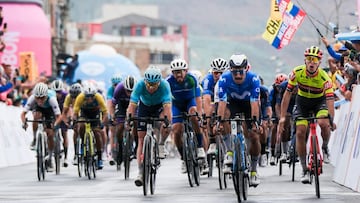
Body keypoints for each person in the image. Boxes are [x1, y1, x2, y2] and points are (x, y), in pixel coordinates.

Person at [278, 46, 336, 184]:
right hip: (302, 103)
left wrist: (331, 119)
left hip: (319, 102)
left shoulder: (324, 77)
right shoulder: (296, 72)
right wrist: (282, 117)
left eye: (315, 60)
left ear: (319, 62)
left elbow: (330, 99)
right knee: (300, 132)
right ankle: (304, 168)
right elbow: (287, 95)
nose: (311, 62)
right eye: (309, 59)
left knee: (323, 123)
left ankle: (324, 147)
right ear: (305, 61)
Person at [216, 54, 261, 187]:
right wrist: (219, 121)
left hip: (248, 104)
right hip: (232, 103)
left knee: (254, 135)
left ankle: (253, 171)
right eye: (234, 71)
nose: (238, 75)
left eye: (240, 71)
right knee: (224, 116)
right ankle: (230, 151)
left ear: (246, 69)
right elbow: (222, 102)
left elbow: (254, 103)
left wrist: (255, 122)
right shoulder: (224, 78)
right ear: (230, 70)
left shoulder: (253, 78)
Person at [126, 66, 172, 187]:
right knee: (141, 139)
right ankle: (140, 171)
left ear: (159, 83)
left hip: (159, 107)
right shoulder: (140, 85)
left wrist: (167, 123)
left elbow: (167, 108)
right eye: (149, 84)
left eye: (154, 85)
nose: (151, 88)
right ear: (145, 81)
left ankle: (161, 144)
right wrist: (129, 119)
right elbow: (132, 105)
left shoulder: (165, 85)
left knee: (165, 125)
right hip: (144, 107)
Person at [165, 58, 209, 174]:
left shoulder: (191, 79)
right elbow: (166, 101)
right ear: (172, 73)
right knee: (176, 129)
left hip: (190, 102)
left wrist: (199, 114)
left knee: (194, 114)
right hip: (177, 105)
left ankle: (199, 147)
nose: (178, 74)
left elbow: (198, 99)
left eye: (181, 71)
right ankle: (183, 158)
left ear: (186, 71)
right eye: (175, 72)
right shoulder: (168, 82)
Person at [20, 82, 62, 172]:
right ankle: (35, 139)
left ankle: (50, 158)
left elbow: (59, 116)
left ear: (46, 96)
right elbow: (23, 114)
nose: (39, 100)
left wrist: (55, 125)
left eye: (42, 98)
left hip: (49, 110)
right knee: (36, 116)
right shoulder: (32, 98)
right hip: (39, 109)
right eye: (37, 98)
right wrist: (24, 123)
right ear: (34, 96)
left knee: (50, 134)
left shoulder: (52, 99)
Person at [72, 83, 108, 170]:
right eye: (87, 97)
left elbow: (105, 113)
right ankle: (83, 144)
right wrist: (74, 121)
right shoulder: (80, 97)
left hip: (95, 113)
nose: (89, 99)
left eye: (91, 97)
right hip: (84, 113)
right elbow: (75, 113)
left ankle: (99, 158)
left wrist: (102, 123)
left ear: (94, 95)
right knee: (81, 125)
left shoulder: (99, 97)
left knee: (97, 133)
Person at [201, 58, 228, 155]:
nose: (219, 76)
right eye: (216, 73)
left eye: (222, 73)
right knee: (210, 112)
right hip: (212, 99)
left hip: (226, 100)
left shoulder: (229, 79)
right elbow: (207, 99)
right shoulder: (207, 80)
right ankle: (212, 141)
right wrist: (207, 117)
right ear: (212, 72)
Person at [109, 75, 137, 166]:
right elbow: (112, 105)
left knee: (136, 123)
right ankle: (120, 148)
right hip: (122, 105)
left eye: (131, 91)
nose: (129, 93)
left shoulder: (138, 89)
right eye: (128, 91)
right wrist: (112, 116)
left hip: (134, 105)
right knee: (120, 127)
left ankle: (136, 145)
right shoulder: (119, 89)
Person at [58, 83, 82, 165]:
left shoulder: (83, 96)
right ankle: (76, 154)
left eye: (76, 96)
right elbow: (65, 111)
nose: (74, 98)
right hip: (74, 112)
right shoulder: (68, 97)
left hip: (83, 110)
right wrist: (66, 121)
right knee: (76, 129)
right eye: (73, 97)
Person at [50, 79, 70, 167]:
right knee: (51, 131)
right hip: (53, 114)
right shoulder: (50, 95)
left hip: (63, 113)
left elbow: (69, 109)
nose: (57, 94)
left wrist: (67, 118)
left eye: (59, 92)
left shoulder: (66, 95)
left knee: (64, 134)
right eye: (55, 92)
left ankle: (65, 157)